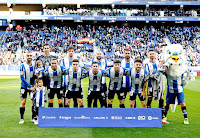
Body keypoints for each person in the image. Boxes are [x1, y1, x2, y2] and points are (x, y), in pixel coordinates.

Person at [19, 51, 36, 124]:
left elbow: (36, 76)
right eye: (28, 55)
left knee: (34, 103)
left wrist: (34, 86)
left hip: (33, 87)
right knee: (23, 102)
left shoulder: (34, 65)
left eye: (30, 55)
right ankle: (22, 118)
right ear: (26, 56)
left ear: (32, 57)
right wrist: (29, 86)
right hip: (24, 87)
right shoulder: (22, 66)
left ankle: (33, 118)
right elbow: (22, 78)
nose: (29, 57)